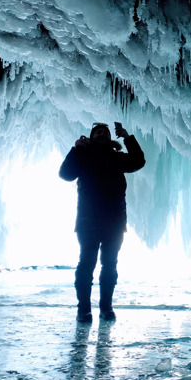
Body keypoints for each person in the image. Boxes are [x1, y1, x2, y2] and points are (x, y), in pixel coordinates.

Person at [59, 122, 145, 323]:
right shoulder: (83, 157)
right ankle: (84, 309)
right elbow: (65, 174)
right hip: (88, 221)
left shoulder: (117, 158)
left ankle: (106, 307)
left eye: (105, 132)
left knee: (109, 266)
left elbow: (139, 161)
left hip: (114, 222)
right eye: (97, 132)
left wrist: (127, 137)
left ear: (110, 138)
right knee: (86, 265)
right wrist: (76, 149)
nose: (101, 134)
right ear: (91, 137)